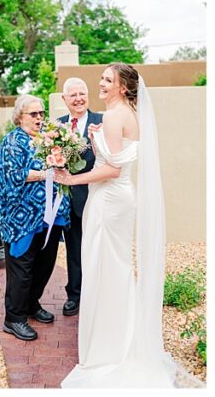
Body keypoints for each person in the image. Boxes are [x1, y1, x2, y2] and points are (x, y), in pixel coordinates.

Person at [58, 64, 200, 388]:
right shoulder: (128, 114)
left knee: (103, 267)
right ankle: (122, 336)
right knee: (115, 266)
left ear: (123, 87)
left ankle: (107, 346)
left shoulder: (111, 115)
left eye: (109, 80)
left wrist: (72, 178)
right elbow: (118, 156)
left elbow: (110, 169)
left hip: (108, 200)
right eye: (103, 78)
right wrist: (97, 139)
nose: (101, 83)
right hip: (121, 199)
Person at [0, 94, 70, 342]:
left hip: (49, 217)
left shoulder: (46, 140)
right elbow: (14, 176)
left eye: (41, 113)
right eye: (33, 114)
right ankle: (14, 318)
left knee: (44, 264)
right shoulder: (12, 142)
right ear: (20, 116)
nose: (39, 118)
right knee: (22, 268)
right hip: (22, 218)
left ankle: (31, 304)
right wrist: (46, 174)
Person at [56, 77, 102, 317]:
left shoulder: (102, 122)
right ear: (65, 99)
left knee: (98, 250)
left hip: (95, 198)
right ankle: (75, 295)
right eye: (72, 95)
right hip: (66, 202)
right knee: (74, 250)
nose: (78, 98)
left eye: (82, 93)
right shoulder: (57, 126)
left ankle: (99, 296)